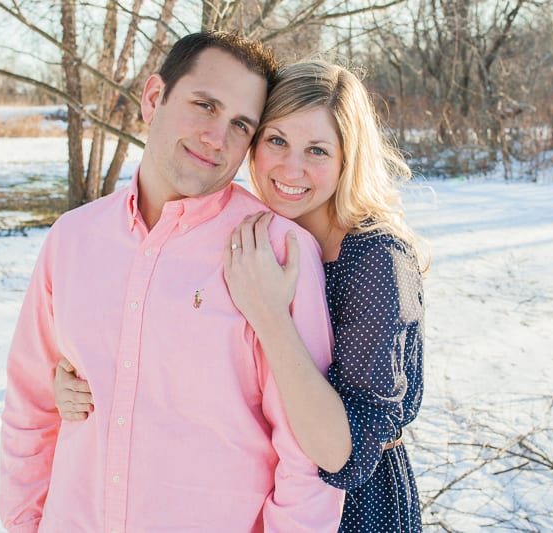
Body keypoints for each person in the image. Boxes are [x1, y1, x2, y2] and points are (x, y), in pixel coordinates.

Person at [55, 61, 426, 532]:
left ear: (347, 158)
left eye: (317, 150)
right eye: (276, 140)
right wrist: (79, 379)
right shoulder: (257, 238)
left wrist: (271, 315)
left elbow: (341, 453)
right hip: (271, 493)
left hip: (354, 505)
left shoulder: (374, 260)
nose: (292, 168)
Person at [0, 32, 344, 533]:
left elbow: (304, 459)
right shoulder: (72, 239)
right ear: (154, 97)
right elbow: (30, 405)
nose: (216, 138)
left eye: (240, 125)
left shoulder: (275, 250)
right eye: (205, 105)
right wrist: (25, 523)